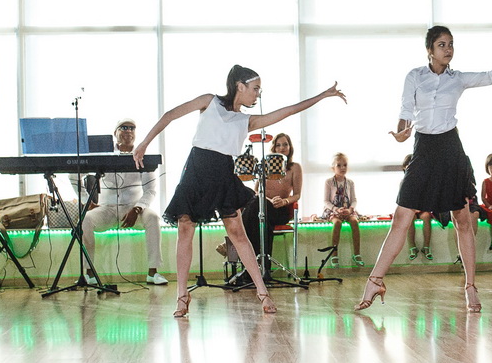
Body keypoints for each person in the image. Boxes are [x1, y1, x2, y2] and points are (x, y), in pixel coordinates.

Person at [355, 26, 492, 312]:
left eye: (450, 44)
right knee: (402, 216)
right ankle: (375, 281)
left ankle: (470, 287)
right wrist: (401, 133)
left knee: (462, 219)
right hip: (423, 149)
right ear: (429, 50)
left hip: (451, 150)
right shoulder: (414, 76)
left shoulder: (457, 79)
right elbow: (405, 113)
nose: (448, 49)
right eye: (441, 45)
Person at [134, 65, 346, 317]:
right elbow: (170, 115)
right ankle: (182, 295)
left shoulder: (247, 121)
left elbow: (288, 111)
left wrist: (323, 95)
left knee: (237, 232)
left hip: (223, 173)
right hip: (196, 169)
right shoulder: (209, 102)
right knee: (185, 227)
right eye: (255, 89)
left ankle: (262, 292)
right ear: (240, 86)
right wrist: (144, 144)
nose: (258, 94)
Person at [80, 119, 168, 286]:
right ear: (115, 133)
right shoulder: (103, 154)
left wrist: (137, 209)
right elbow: (73, 175)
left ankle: (153, 272)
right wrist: (87, 201)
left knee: (153, 218)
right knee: (85, 220)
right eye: (124, 128)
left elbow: (150, 191)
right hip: (107, 209)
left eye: (132, 128)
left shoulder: (142, 155)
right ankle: (89, 274)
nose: (128, 131)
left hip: (133, 209)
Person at [238, 131, 302, 283]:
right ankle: (259, 272)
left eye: (285, 144)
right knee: (259, 219)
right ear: (274, 148)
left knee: (256, 211)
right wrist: (267, 200)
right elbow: (256, 191)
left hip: (281, 209)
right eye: (278, 145)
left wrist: (284, 201)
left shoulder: (294, 167)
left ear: (290, 147)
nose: (282, 148)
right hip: (263, 206)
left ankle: (236, 241)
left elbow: (297, 195)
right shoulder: (266, 165)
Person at [320, 153, 363, 266]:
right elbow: (326, 201)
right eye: (339, 165)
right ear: (333, 168)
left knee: (354, 222)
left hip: (347, 209)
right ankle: (334, 255)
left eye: (345, 165)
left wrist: (350, 209)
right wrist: (335, 209)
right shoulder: (329, 182)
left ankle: (357, 254)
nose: (342, 168)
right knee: (337, 223)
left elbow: (354, 200)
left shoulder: (350, 182)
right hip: (333, 210)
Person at [401, 153, 435, 261]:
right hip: (411, 208)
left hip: (423, 208)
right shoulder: (404, 182)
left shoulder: (424, 180)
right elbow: (403, 199)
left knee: (426, 217)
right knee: (409, 218)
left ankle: (426, 246)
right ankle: (412, 247)